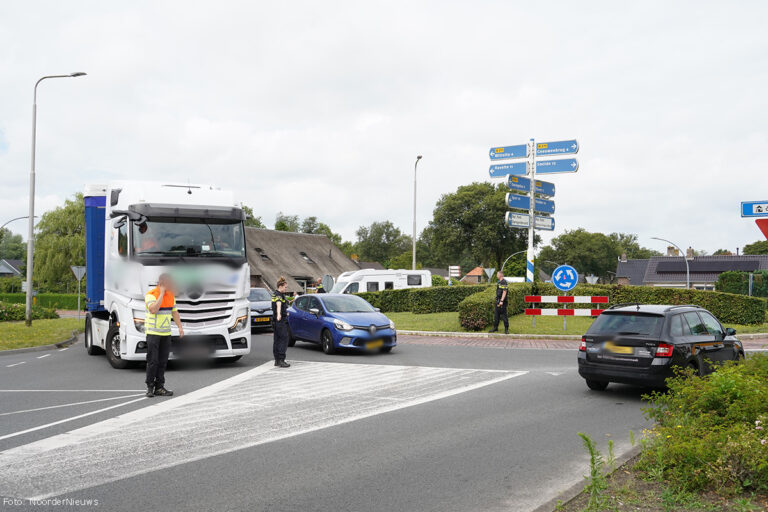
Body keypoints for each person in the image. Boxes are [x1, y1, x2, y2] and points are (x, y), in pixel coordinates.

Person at [144, 273, 184, 397]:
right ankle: (150, 387)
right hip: (153, 333)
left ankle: (159, 387)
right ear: (162, 283)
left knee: (162, 362)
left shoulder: (171, 295)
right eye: (169, 283)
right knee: (153, 361)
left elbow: (174, 312)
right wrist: (161, 294)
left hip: (166, 333)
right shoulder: (151, 295)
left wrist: (180, 327)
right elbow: (153, 310)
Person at [272, 277, 291, 368]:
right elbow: (278, 304)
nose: (286, 289)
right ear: (281, 286)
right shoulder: (279, 295)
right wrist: (279, 314)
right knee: (284, 339)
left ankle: (277, 360)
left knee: (277, 340)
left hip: (275, 321)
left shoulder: (275, 294)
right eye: (285, 287)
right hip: (280, 321)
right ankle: (281, 360)